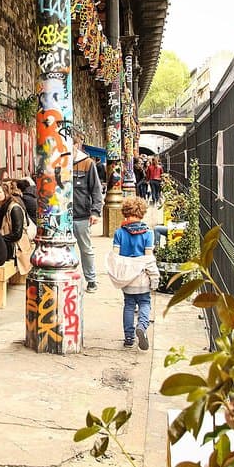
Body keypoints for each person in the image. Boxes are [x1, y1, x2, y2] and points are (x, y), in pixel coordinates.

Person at [111, 197, 160, 351]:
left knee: (129, 305)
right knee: (145, 303)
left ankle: (129, 338)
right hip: (142, 276)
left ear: (125, 212)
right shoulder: (148, 234)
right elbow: (148, 258)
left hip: (127, 278)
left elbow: (115, 257)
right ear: (141, 213)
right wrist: (154, 278)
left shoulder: (119, 233)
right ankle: (142, 326)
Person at [72, 132, 104, 293]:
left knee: (86, 249)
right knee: (66, 250)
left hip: (82, 215)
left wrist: (95, 212)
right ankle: (71, 279)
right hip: (63, 216)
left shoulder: (87, 163)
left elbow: (96, 189)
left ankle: (91, 280)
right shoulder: (58, 162)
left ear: (76, 145)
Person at [0, 180, 32, 275]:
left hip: (17, 248)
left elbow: (17, 234)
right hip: (7, 245)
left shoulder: (15, 208)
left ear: (5, 193)